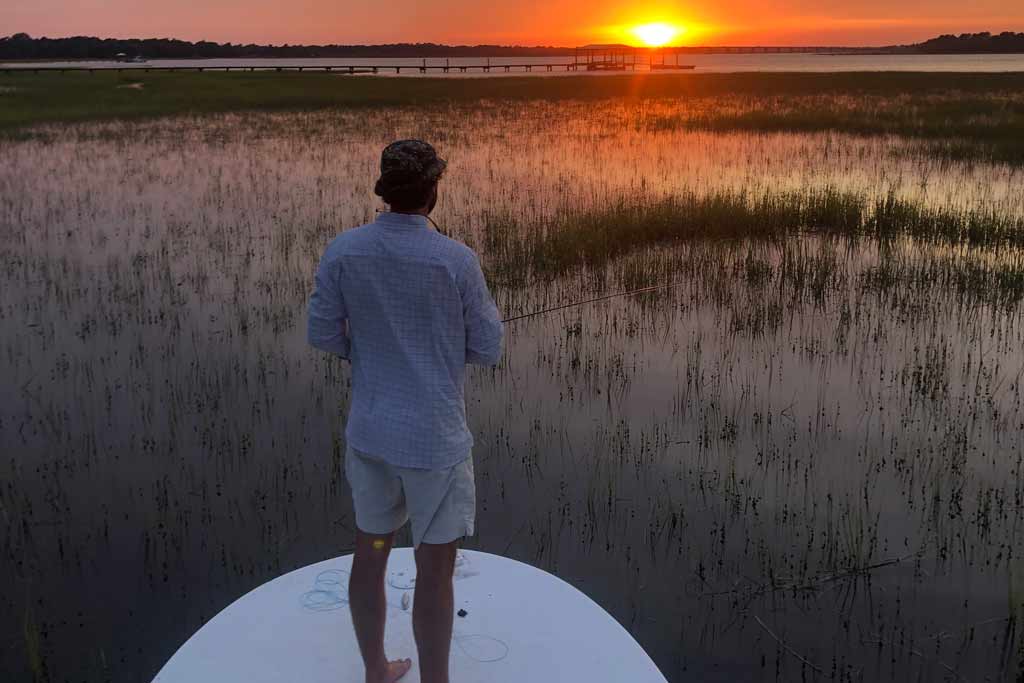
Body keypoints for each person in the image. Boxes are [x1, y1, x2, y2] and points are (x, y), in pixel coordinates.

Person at [307, 139, 504, 683]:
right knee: (434, 572)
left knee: (370, 553)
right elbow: (489, 349)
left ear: (384, 188)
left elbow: (322, 332)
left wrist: (368, 353)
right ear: (433, 189)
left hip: (371, 438)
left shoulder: (344, 250)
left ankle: (377, 670)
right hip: (435, 446)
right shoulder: (456, 260)